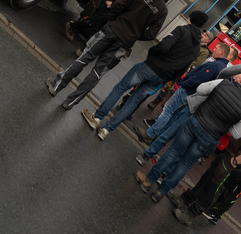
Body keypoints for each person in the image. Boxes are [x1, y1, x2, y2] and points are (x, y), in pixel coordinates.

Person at [45, 0, 178, 109]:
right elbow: (151, 34)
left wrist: (113, 20)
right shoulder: (163, 11)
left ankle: (56, 86)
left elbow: (120, 3)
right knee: (98, 72)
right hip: (124, 44)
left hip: (111, 31)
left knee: (85, 57)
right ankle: (70, 102)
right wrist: (134, 35)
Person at [80, 10, 209, 140]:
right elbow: (183, 69)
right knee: (134, 101)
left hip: (151, 66)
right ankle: (106, 130)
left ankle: (97, 117)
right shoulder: (197, 47)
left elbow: (163, 46)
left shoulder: (182, 30)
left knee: (121, 88)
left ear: (191, 19)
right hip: (162, 76)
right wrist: (167, 78)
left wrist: (152, 53)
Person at [134, 73, 241, 202]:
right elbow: (236, 134)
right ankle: (160, 192)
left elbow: (201, 89)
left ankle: (148, 180)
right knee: (185, 163)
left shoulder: (223, 83)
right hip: (211, 137)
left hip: (196, 122)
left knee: (173, 151)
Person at [170, 92, 241, 225]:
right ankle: (185, 200)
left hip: (236, 164)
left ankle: (191, 214)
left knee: (213, 187)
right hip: (229, 155)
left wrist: (237, 161)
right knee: (208, 177)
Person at [133, 43, 241, 153]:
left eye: (217, 48)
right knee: (173, 117)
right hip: (196, 103)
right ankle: (156, 138)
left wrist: (185, 83)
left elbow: (199, 80)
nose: (213, 49)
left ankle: (150, 135)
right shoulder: (223, 71)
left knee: (168, 111)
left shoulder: (219, 68)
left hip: (191, 96)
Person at [146, 29, 213, 110]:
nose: (202, 35)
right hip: (174, 63)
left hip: (181, 69)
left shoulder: (204, 51)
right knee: (159, 79)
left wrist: (186, 66)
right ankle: (146, 93)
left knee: (167, 85)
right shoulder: (195, 43)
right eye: (203, 34)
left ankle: (156, 101)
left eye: (205, 36)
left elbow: (196, 63)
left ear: (208, 40)